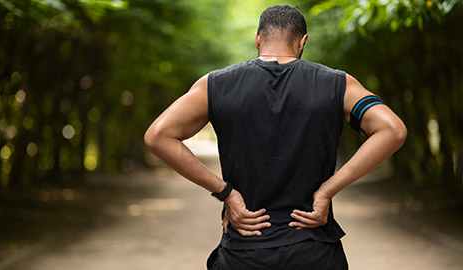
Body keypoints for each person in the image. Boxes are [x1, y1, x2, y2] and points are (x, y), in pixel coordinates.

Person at [144, 5, 407, 270]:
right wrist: (328, 190)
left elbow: (158, 136)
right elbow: (392, 130)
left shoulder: (216, 85)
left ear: (257, 38)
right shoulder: (338, 85)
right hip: (314, 249)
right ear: (303, 42)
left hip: (244, 249)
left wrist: (227, 194)